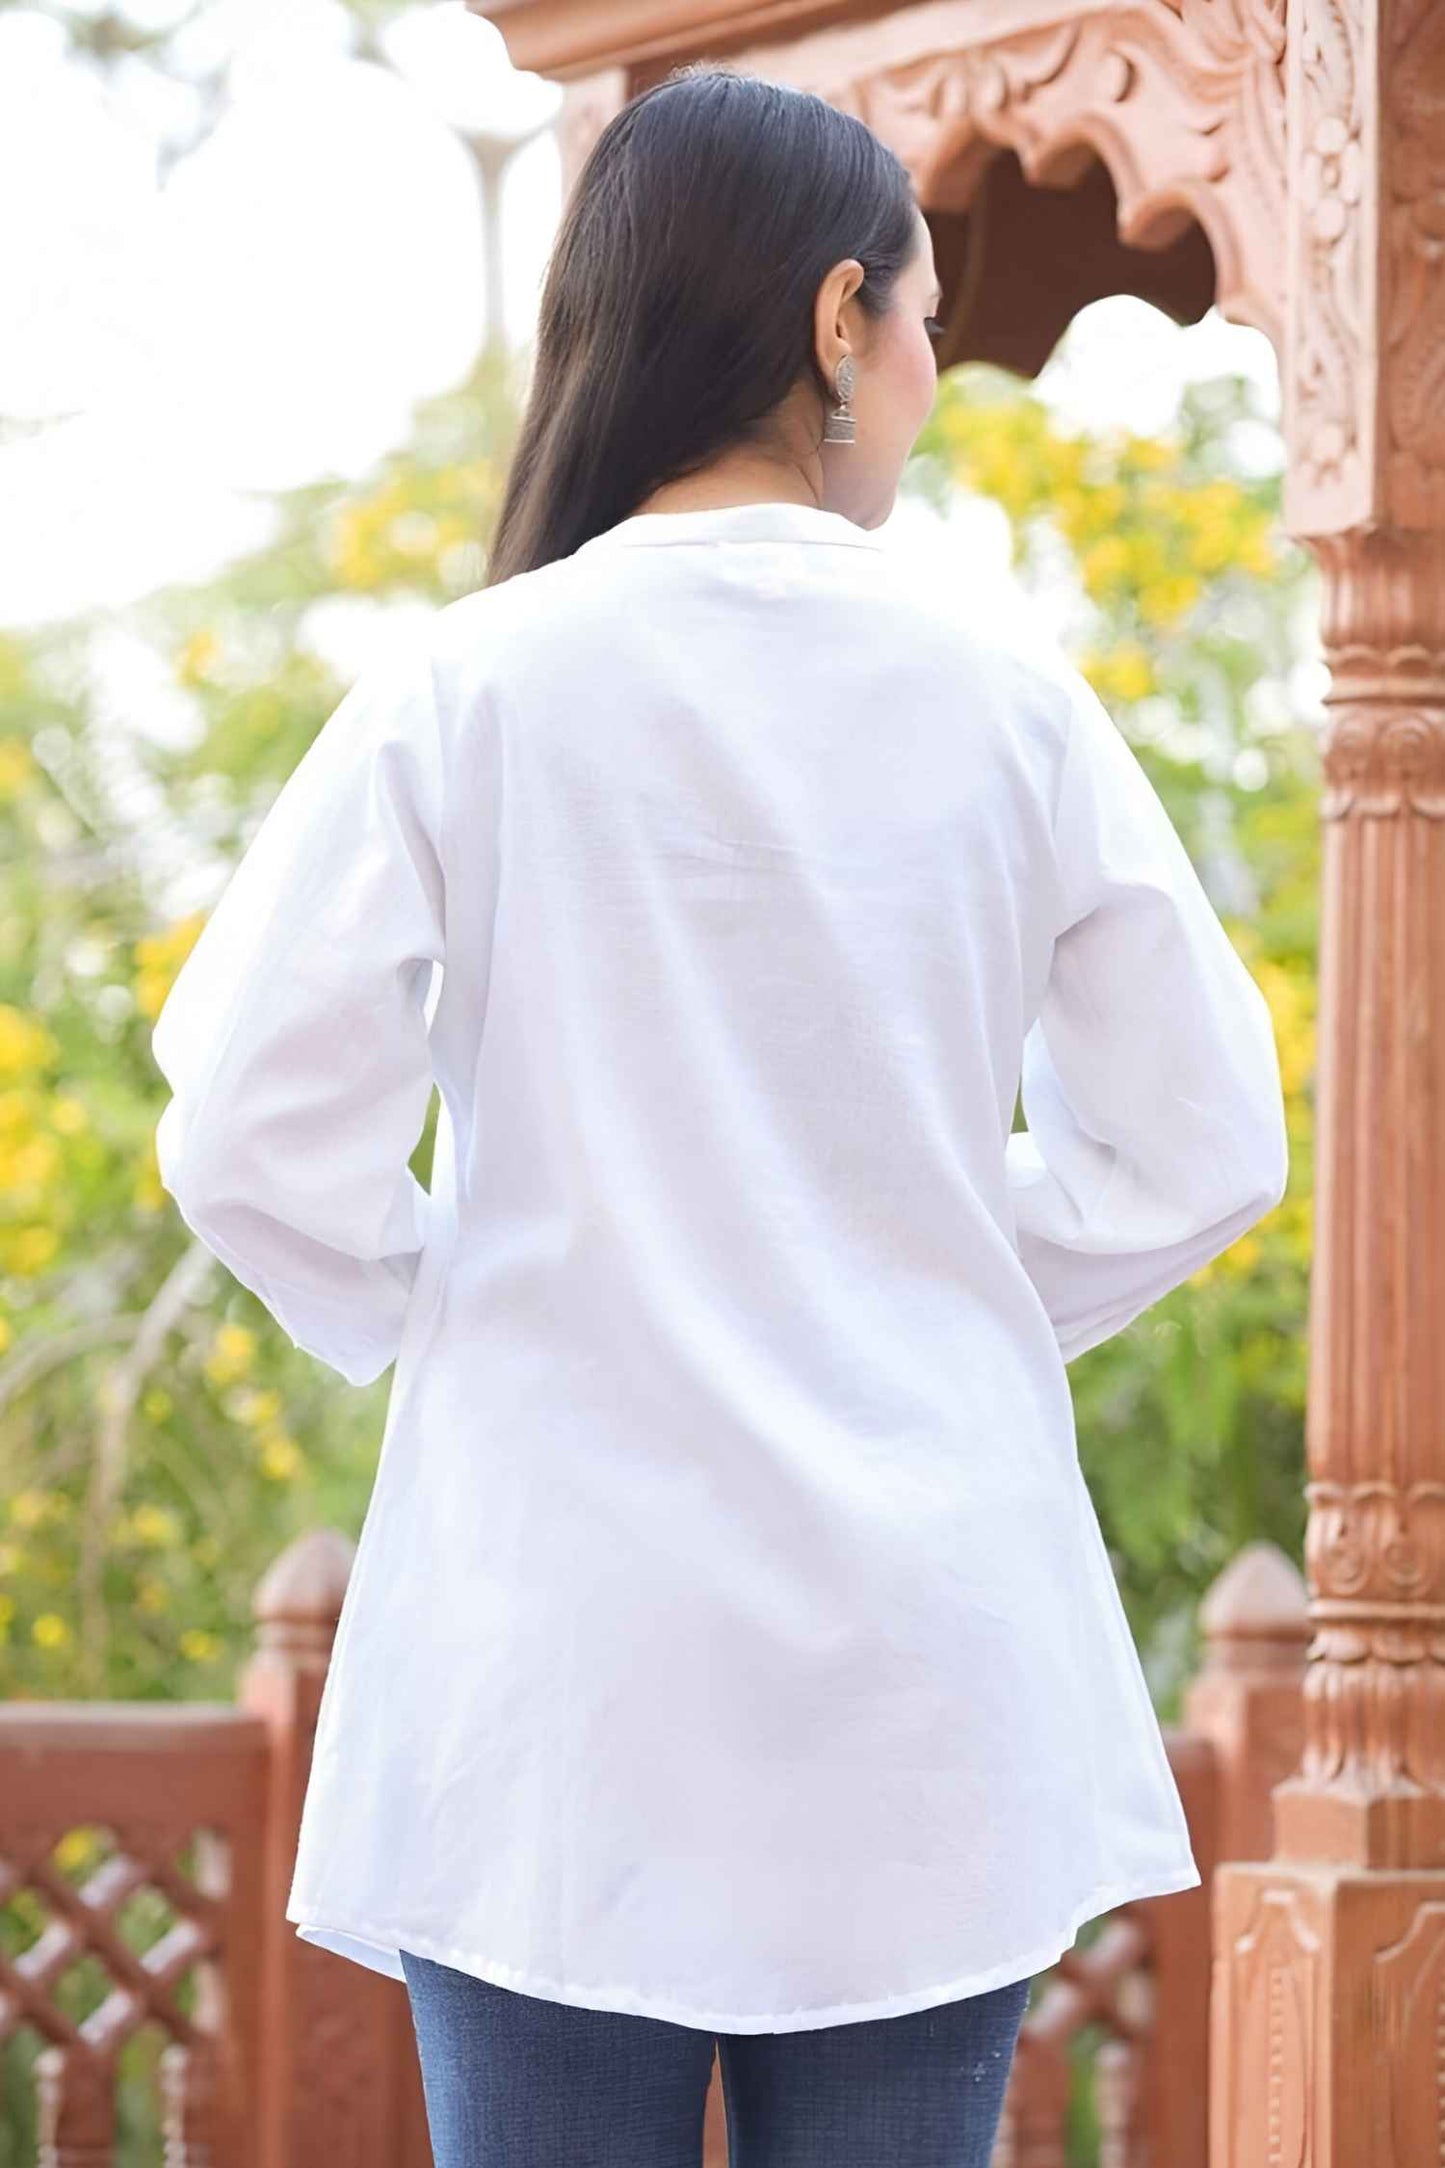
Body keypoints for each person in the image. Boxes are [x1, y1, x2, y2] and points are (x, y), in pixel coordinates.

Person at [149, 62, 1289, 2168]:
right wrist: (924, 1274)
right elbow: (1205, 1142)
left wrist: (475, 1297)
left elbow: (242, 1133)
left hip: (550, 1677)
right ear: (835, 319)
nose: (934, 372)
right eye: (930, 320)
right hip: (919, 1678)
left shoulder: (465, 690)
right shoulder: (1012, 704)